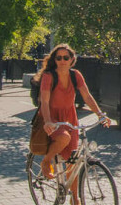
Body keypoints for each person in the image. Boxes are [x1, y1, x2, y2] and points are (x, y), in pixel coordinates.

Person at [34, 44, 105, 199]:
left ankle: (75, 198)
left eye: (66, 57)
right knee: (63, 138)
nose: (62, 60)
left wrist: (100, 114)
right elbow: (44, 102)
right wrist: (47, 121)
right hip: (52, 117)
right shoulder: (49, 76)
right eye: (58, 58)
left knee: (73, 162)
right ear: (55, 59)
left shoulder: (76, 75)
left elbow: (86, 96)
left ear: (72, 60)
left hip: (70, 118)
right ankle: (46, 161)